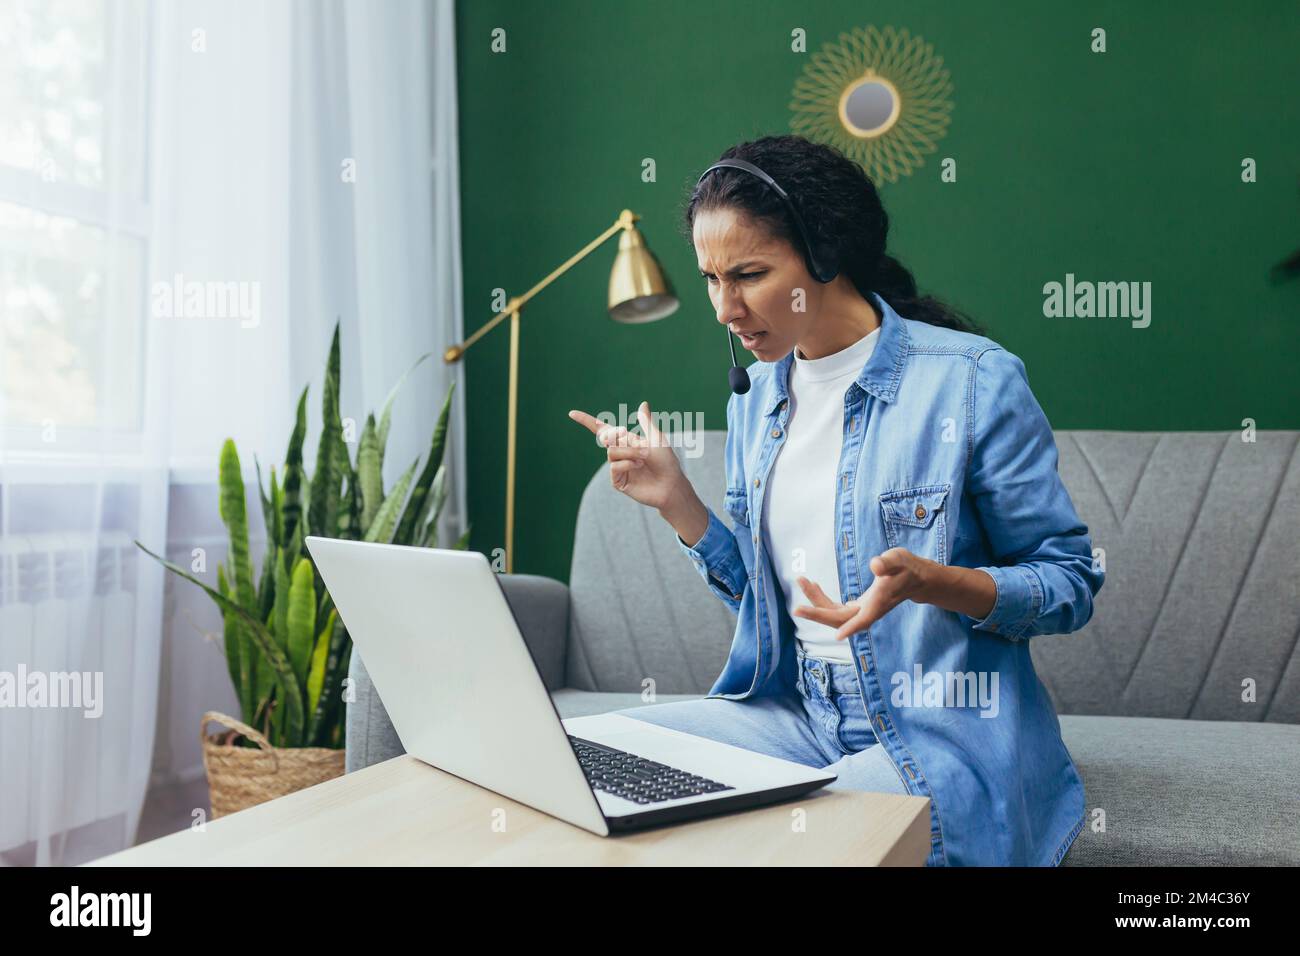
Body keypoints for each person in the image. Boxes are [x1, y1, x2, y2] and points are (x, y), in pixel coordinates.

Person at [566, 134, 1103, 866]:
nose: (726, 307)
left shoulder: (971, 382)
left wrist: (935, 582)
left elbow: (1068, 584)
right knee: (578, 761)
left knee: (789, 847)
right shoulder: (756, 401)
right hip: (798, 713)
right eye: (711, 278)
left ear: (824, 254)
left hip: (938, 732)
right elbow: (771, 607)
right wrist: (678, 503)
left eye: (749, 274)